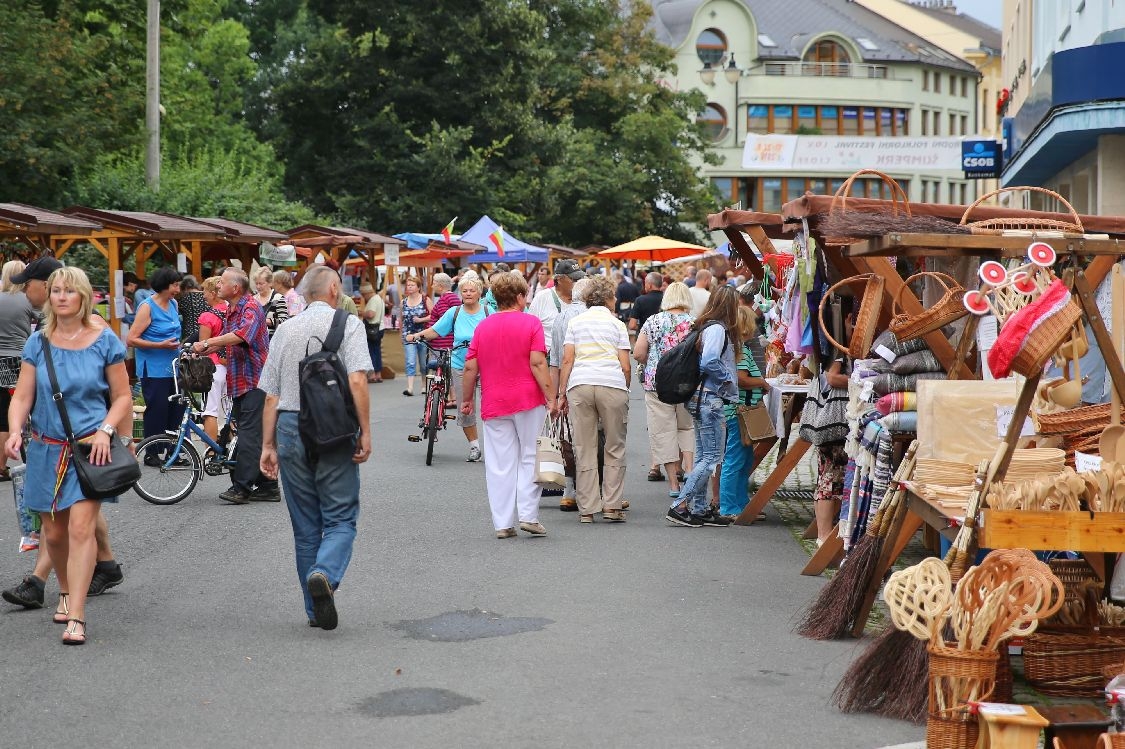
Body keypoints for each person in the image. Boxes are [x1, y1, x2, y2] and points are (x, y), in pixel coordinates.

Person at [5, 266, 133, 644]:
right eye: (55, 290)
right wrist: (15, 431)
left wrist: (108, 431)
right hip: (46, 447)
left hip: (89, 448)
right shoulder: (38, 342)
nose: (60, 296)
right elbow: (23, 396)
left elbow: (123, 396)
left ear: (82, 297)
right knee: (54, 533)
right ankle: (63, 588)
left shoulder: (103, 340)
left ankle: (77, 613)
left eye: (68, 291)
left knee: (80, 528)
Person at [259, 265, 372, 630]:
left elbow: (271, 395)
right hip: (334, 429)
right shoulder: (348, 325)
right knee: (340, 518)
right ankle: (324, 573)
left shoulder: (285, 330)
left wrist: (267, 444)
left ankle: (313, 610)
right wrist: (365, 431)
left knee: (305, 526)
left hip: (290, 426)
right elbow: (356, 381)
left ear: (304, 295)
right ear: (334, 289)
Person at [460, 272, 555, 539]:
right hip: (528, 399)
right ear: (520, 297)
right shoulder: (531, 323)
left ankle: (502, 523)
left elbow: (470, 367)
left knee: (499, 463)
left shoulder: (483, 327)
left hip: (494, 401)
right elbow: (537, 363)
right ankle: (528, 516)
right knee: (529, 456)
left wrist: (467, 399)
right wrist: (551, 396)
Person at [192, 268, 276, 505]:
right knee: (248, 434)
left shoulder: (251, 308)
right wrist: (197, 349)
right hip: (240, 380)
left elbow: (240, 336)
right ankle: (268, 486)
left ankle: (242, 487)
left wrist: (207, 342)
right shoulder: (231, 309)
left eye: (222, 283)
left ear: (236, 288)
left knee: (248, 435)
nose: (218, 286)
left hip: (256, 380)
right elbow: (226, 341)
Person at [558, 275, 632, 524]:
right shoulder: (617, 325)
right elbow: (625, 365)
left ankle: (587, 508)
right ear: (610, 299)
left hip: (580, 383)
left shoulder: (576, 323)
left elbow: (567, 359)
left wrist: (561, 393)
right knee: (614, 446)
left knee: (584, 447)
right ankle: (611, 505)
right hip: (611, 383)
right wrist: (626, 389)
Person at [666, 285, 740, 528]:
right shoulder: (718, 329)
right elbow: (709, 361)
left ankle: (698, 508)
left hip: (699, 398)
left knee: (703, 456)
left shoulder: (705, 326)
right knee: (710, 457)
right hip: (710, 399)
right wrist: (727, 378)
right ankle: (681, 504)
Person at [407, 276, 488, 462]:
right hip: (460, 364)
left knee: (490, 407)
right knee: (465, 407)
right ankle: (474, 446)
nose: (467, 294)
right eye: (464, 291)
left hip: (486, 365)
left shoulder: (487, 311)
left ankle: (494, 444)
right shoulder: (455, 312)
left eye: (471, 290)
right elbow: (435, 330)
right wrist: (417, 335)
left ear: (479, 292)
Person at [634, 281, 695, 496]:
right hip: (687, 384)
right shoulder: (694, 323)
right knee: (686, 428)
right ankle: (689, 469)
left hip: (657, 384)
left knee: (663, 432)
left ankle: (673, 485)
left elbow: (639, 353)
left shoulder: (653, 321)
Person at [127, 267, 185, 463]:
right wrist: (159, 345)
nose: (178, 289)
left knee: (176, 408)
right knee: (157, 408)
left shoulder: (174, 304)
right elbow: (131, 339)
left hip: (173, 366)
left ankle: (172, 452)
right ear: (164, 286)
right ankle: (152, 452)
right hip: (153, 367)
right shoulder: (147, 306)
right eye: (175, 285)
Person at [718, 306, 770, 520]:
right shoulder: (739, 350)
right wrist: (762, 383)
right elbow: (741, 379)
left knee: (744, 458)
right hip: (739, 411)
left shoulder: (738, 348)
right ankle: (729, 506)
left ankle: (741, 504)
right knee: (735, 458)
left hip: (741, 411)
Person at [548, 277, 590, 512]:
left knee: (567, 438)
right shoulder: (599, 316)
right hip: (593, 382)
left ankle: (570, 490)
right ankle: (594, 490)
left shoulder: (561, 318)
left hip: (569, 384)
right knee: (593, 437)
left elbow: (556, 361)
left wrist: (555, 396)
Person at [0, 260, 37, 481]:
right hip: (18, 359)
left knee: (2, 410)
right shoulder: (27, 300)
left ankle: (1, 465)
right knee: (24, 407)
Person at [530, 259, 584, 359]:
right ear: (559, 279)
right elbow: (530, 330)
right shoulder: (542, 298)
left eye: (580, 278)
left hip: (578, 360)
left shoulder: (584, 299)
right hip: (549, 361)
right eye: (574, 279)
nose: (578, 282)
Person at [197, 276, 229, 442]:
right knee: (227, 411)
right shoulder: (230, 311)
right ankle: (229, 447)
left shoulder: (207, 317)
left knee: (210, 411)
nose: (203, 295)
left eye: (205, 291)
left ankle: (210, 451)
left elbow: (203, 347)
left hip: (214, 366)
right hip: (229, 366)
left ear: (213, 293)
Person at [399, 276, 432, 397]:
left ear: (418, 287)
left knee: (423, 363)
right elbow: (401, 319)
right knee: (410, 361)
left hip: (423, 335)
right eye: (408, 285)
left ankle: (423, 385)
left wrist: (420, 319)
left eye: (412, 285)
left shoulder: (425, 299)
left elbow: (434, 316)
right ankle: (410, 387)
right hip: (408, 335)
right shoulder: (403, 302)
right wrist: (400, 334)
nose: (409, 287)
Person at [428, 273, 461, 353]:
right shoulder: (452, 297)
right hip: (447, 342)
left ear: (440, 286)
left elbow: (444, 323)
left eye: (434, 284)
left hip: (443, 343)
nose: (432, 286)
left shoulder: (445, 300)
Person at [359, 283, 385, 383]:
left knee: (371, 352)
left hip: (372, 329)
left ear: (367, 293)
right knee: (377, 351)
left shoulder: (373, 300)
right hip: (379, 328)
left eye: (363, 294)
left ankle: (373, 374)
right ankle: (378, 374)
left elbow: (371, 314)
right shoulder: (379, 298)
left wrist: (361, 313)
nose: (363, 297)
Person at [254, 267, 290, 336]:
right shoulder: (253, 299)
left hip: (272, 340)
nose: (258, 287)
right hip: (254, 341)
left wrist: (264, 321)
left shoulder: (278, 298)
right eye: (256, 283)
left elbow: (284, 321)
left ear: (270, 283)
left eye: (261, 284)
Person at [178, 275, 208, 342]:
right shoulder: (206, 296)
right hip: (205, 331)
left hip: (188, 332)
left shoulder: (183, 298)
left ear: (184, 287)